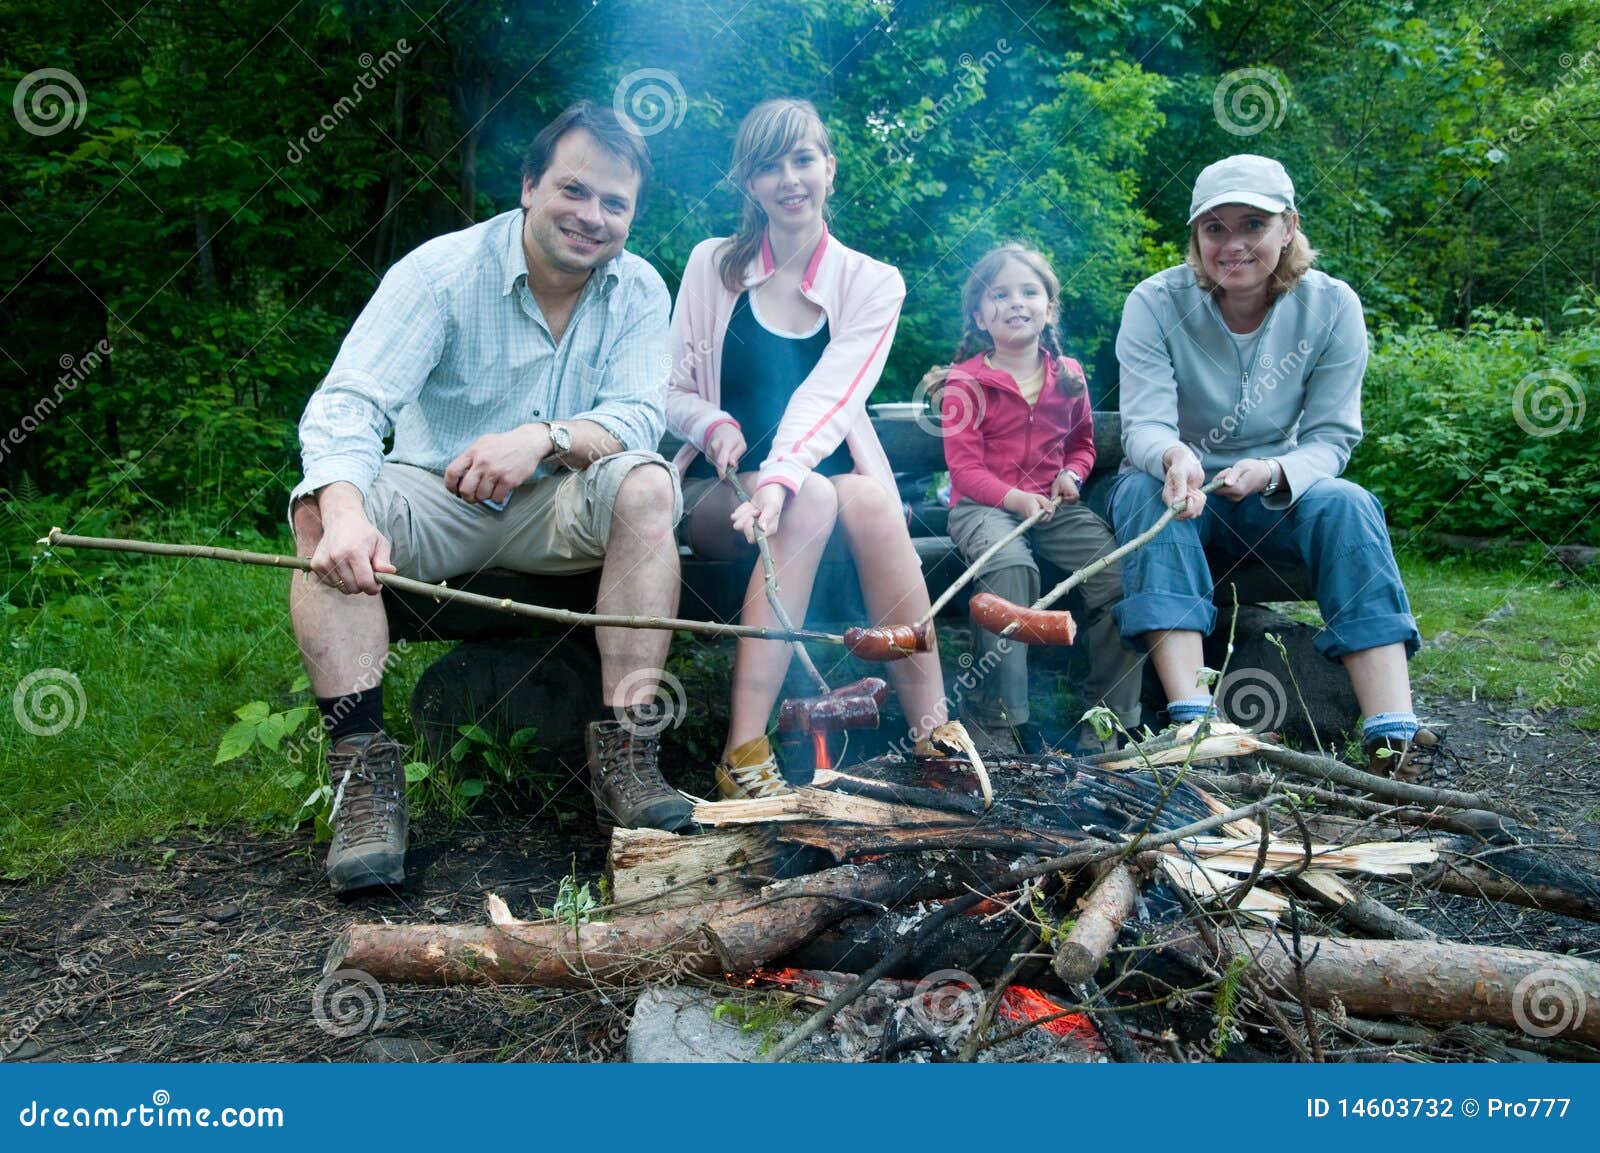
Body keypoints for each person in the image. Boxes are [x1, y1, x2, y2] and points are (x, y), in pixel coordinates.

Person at [290, 101, 693, 894]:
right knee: (319, 511)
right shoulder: (440, 272)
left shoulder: (640, 287)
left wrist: (542, 437)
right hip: (433, 497)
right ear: (530, 185)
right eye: (574, 190)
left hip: (558, 503)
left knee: (649, 482)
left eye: (615, 204)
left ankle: (628, 755)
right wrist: (344, 513)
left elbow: (638, 418)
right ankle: (362, 780)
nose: (592, 216)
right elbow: (348, 405)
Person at [667, 97, 966, 798]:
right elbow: (672, 389)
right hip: (722, 494)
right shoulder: (713, 266)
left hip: (807, 485)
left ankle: (936, 736)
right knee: (814, 495)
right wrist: (714, 425)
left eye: (803, 159)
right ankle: (743, 752)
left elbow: (830, 394)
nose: (789, 179)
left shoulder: (872, 283)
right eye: (768, 166)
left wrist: (783, 476)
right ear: (749, 183)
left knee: (859, 498)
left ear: (830, 167)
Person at [1110, 154, 1437, 778]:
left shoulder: (1332, 305)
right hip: (1179, 484)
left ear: (1288, 227)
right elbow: (1145, 424)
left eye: (1253, 225)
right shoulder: (1155, 301)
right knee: (1151, 497)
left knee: (1349, 503)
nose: (1232, 244)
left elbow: (1331, 437)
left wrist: (1272, 471)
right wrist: (1175, 456)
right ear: (1196, 235)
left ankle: (1392, 733)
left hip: (1275, 491)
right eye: (1215, 228)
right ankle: (1193, 725)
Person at [939, 244, 1144, 755]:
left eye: (1029, 292)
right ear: (979, 316)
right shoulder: (965, 381)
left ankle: (1109, 720)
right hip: (983, 506)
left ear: (1049, 308)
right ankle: (998, 720)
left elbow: (1083, 446)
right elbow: (964, 470)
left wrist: (1072, 475)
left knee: (1118, 575)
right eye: (999, 294)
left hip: (1053, 507)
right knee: (1010, 569)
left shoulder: (1068, 375)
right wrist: (1014, 499)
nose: (1016, 302)